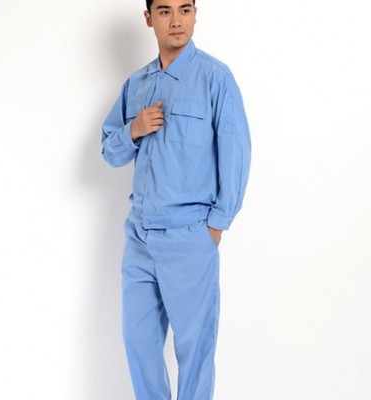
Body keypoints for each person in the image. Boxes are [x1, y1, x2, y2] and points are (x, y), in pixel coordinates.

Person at [101, 0, 251, 398]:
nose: (176, 21)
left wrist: (215, 227)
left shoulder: (216, 78)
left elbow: (236, 156)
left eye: (185, 10)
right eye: (165, 11)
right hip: (139, 237)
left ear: (196, 14)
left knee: (195, 353)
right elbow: (110, 152)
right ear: (149, 18)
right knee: (140, 349)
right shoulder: (136, 84)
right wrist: (133, 129)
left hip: (189, 238)